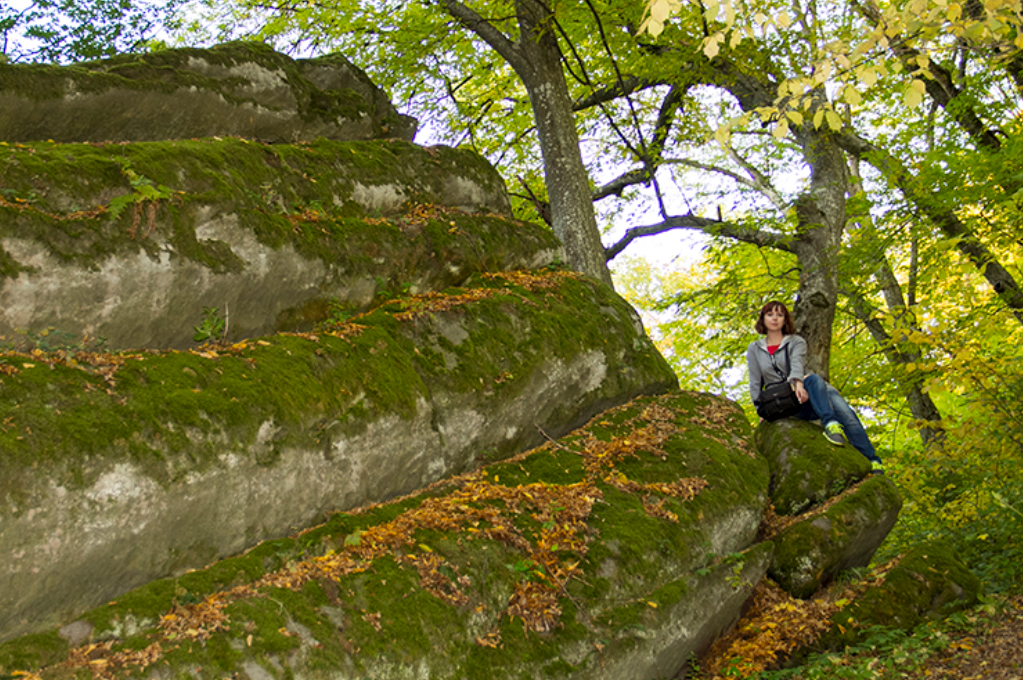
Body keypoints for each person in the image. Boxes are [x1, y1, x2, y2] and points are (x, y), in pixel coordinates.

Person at [746, 301, 884, 473]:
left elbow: (797, 364)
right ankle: (830, 422)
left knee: (845, 413)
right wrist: (761, 409)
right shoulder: (755, 349)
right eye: (770, 314)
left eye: (780, 315)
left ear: (785, 320)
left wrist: (798, 383)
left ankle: (869, 458)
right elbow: (755, 382)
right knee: (812, 380)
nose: (775, 318)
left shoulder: (796, 341)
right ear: (763, 319)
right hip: (786, 399)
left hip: (811, 388)